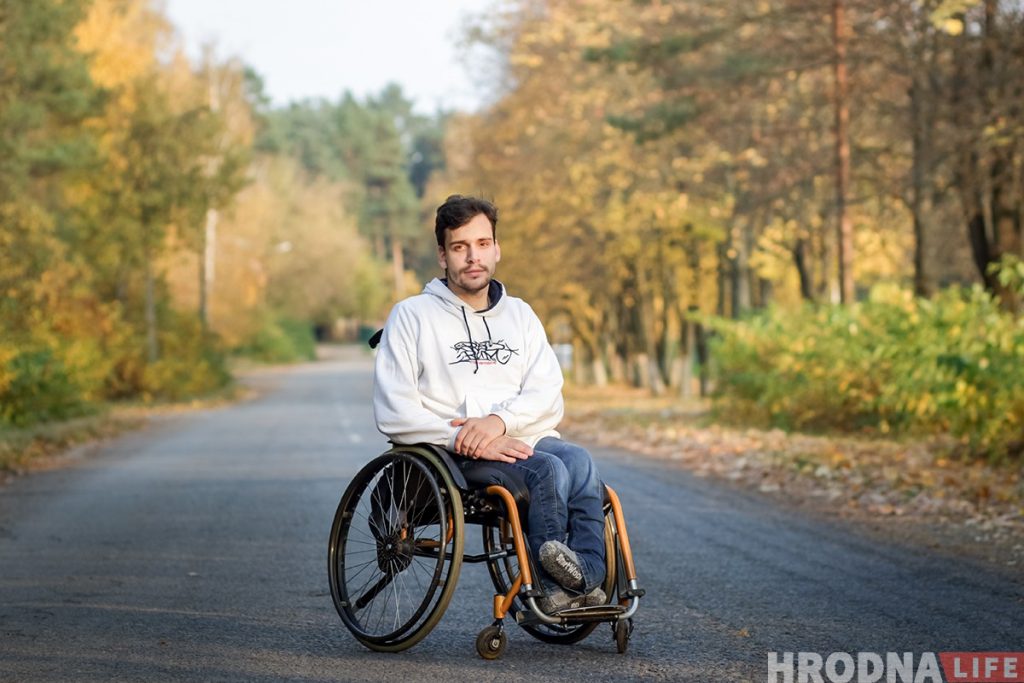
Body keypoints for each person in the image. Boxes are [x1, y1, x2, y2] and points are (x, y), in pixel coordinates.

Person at [372, 194, 607, 612]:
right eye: (460, 247)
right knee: (549, 468)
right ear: (443, 255)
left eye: (482, 244)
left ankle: (586, 574)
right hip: (449, 454)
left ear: (496, 249)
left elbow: (547, 392)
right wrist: (465, 436)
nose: (472, 257)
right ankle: (551, 587)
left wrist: (498, 422)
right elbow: (395, 411)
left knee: (579, 460)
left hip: (518, 437)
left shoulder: (520, 315)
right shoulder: (412, 316)